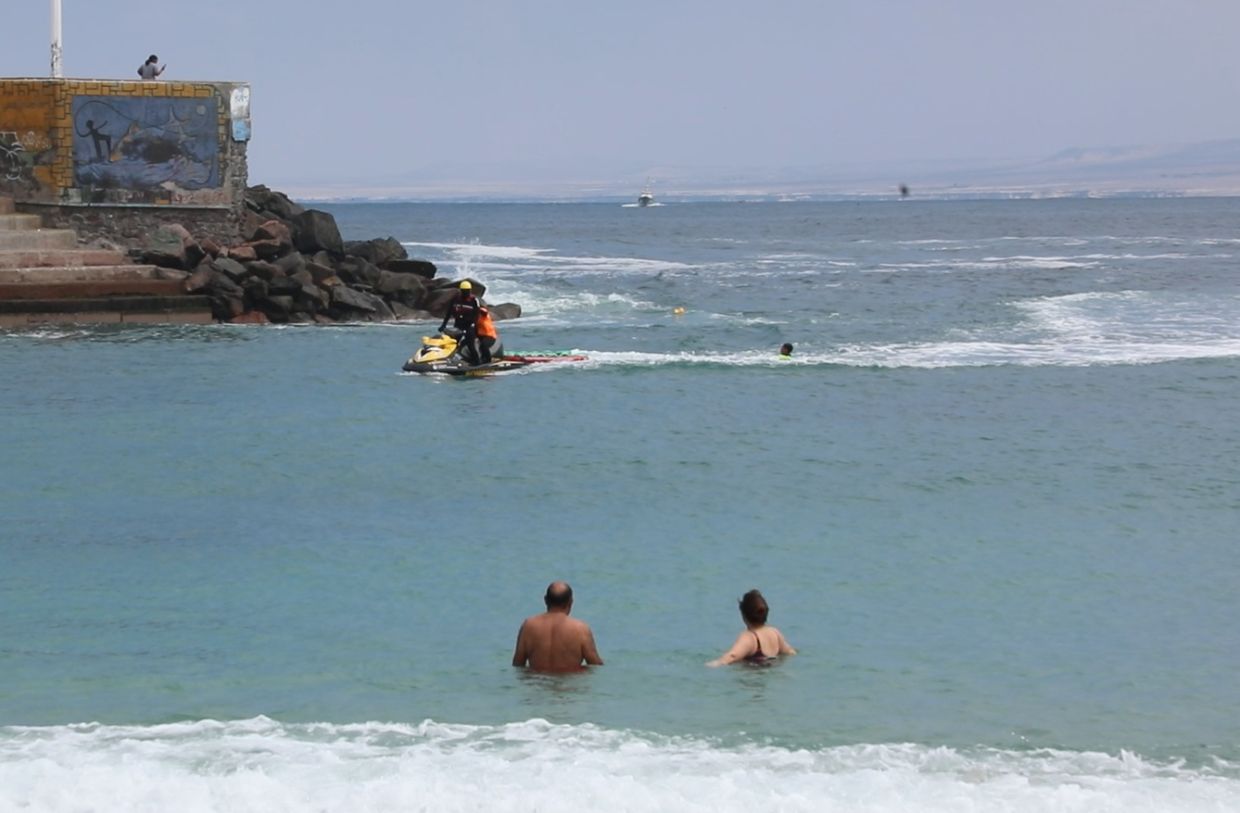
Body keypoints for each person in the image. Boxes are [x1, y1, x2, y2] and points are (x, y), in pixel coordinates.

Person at [512, 581, 604, 671]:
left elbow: (517, 665)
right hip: (568, 680)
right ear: (570, 602)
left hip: (538, 680)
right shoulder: (580, 629)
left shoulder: (528, 626)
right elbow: (595, 665)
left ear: (545, 600)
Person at [707, 589, 797, 667]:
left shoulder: (749, 637)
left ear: (743, 615)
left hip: (753, 677)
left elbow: (733, 656)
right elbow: (790, 652)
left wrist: (716, 663)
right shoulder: (774, 632)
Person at [438, 280, 481, 365]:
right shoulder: (456, 300)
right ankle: (450, 360)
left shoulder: (474, 300)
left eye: (467, 291)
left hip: (469, 326)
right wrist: (443, 325)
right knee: (452, 343)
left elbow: (477, 315)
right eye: (464, 291)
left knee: (470, 344)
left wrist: (472, 325)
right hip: (458, 325)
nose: (466, 293)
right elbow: (449, 313)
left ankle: (477, 363)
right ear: (461, 290)